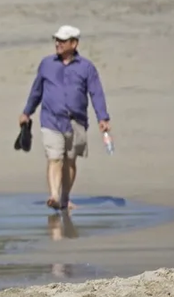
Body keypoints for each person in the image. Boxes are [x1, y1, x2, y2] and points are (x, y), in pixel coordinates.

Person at [19, 25, 111, 211]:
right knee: (54, 158)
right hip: (51, 119)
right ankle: (54, 195)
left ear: (74, 43)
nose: (58, 43)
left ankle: (64, 197)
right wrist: (27, 112)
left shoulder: (87, 67)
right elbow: (37, 90)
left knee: (70, 160)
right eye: (56, 40)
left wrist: (103, 117)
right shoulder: (46, 64)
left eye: (62, 40)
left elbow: (96, 93)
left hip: (76, 122)